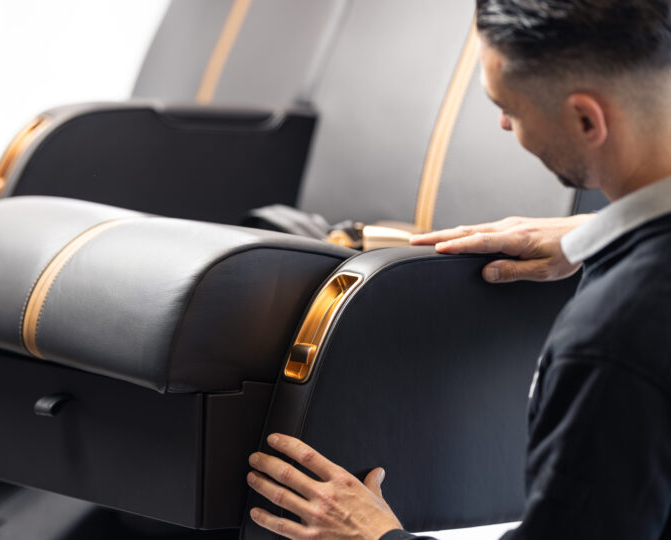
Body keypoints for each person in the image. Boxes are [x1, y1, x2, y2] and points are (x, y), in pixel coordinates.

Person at [245, 0, 671, 538]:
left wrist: (373, 535)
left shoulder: (612, 338)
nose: (503, 124)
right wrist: (599, 234)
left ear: (586, 119)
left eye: (509, 108)